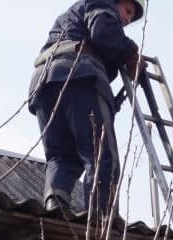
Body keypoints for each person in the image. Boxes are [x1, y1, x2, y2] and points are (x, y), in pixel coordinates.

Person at [28, 0, 145, 219]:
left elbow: (102, 44)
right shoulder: (102, 4)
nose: (128, 19)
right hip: (79, 74)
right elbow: (103, 32)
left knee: (63, 156)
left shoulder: (74, 21)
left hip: (45, 84)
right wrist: (131, 50)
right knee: (101, 153)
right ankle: (102, 219)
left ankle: (56, 202)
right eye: (127, 11)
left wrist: (125, 69)